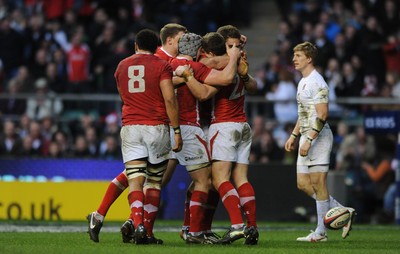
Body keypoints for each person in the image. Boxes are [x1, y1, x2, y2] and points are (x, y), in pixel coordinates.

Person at [86, 23, 187, 244]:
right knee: (152, 182)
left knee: (134, 179)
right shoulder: (162, 65)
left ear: (135, 46)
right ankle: (145, 231)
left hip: (131, 126)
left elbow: (124, 95)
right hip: (156, 127)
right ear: (157, 46)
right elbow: (170, 99)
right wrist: (176, 130)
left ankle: (132, 222)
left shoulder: (121, 66)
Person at [176, 25, 259, 245]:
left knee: (216, 179)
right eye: (229, 45)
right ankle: (251, 228)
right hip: (242, 124)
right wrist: (238, 51)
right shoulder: (240, 60)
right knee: (239, 179)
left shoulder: (219, 64)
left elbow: (207, 76)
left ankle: (236, 227)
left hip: (222, 124)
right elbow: (254, 85)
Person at [284, 41, 355, 242]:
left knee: (318, 182)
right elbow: (305, 113)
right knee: (303, 184)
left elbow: (322, 114)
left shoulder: (318, 82)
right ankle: (341, 211)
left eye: (298, 56)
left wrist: (309, 140)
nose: (294, 59)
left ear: (309, 58)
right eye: (294, 55)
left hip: (319, 138)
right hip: (306, 136)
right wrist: (294, 135)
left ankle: (320, 232)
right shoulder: (302, 81)